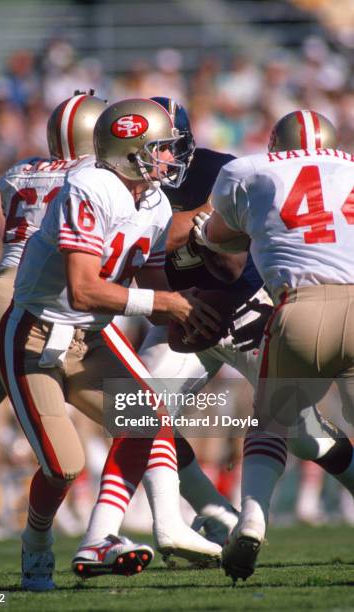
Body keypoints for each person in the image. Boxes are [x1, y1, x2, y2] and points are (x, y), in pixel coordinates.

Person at [0, 97, 222, 590]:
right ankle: (36, 544)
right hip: (35, 337)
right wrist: (168, 306)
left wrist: (199, 303)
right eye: (161, 149)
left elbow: (148, 269)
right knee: (63, 467)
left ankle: (99, 539)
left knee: (148, 420)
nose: (171, 158)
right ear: (131, 151)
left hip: (92, 335)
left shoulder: (154, 200)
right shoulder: (90, 186)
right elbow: (85, 287)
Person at [0, 91, 107, 518]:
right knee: (142, 417)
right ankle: (111, 528)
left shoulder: (17, 173)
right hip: (54, 303)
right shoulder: (102, 176)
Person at [201, 109, 354, 581]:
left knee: (270, 425)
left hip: (299, 309)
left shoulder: (250, 171)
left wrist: (198, 236)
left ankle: (251, 520)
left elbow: (218, 238)